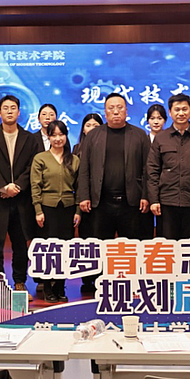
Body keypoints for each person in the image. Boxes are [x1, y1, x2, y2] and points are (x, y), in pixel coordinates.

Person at [0, 96, 39, 297]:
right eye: (5, 108)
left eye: (13, 108)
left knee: (20, 245)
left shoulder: (29, 138)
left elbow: (32, 166)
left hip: (21, 200)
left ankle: (20, 283)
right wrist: (4, 187)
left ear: (19, 112)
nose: (9, 111)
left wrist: (18, 186)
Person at [79, 92, 150, 244]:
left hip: (131, 202)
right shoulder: (93, 136)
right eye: (111, 108)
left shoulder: (139, 135)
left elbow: (147, 169)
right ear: (105, 112)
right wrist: (84, 196)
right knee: (100, 247)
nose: (116, 111)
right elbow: (84, 169)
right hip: (101, 202)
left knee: (131, 247)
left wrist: (145, 195)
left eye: (120, 107)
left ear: (126, 111)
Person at [146, 94, 190, 240]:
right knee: (167, 246)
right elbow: (152, 171)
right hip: (167, 202)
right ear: (170, 112)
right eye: (177, 109)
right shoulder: (161, 138)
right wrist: (154, 200)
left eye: (184, 109)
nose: (181, 113)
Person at [31, 120, 80, 303]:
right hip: (47, 208)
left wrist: (78, 211)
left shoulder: (74, 159)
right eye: (54, 135)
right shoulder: (41, 158)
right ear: (48, 137)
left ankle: (60, 286)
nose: (58, 139)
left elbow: (79, 187)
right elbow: (35, 186)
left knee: (65, 249)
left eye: (61, 134)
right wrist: (38, 210)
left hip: (67, 208)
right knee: (48, 250)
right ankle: (47, 287)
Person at [73, 112, 103, 295]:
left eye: (96, 125)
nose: (92, 129)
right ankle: (87, 279)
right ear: (83, 129)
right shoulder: (77, 148)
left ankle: (100, 277)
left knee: (101, 240)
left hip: (101, 201)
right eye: (88, 125)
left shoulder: (106, 146)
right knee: (86, 242)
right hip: (82, 201)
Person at [143, 103, 167, 238]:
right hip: (145, 191)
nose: (156, 122)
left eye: (159, 118)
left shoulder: (170, 140)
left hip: (165, 191)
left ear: (165, 120)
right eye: (152, 118)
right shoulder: (142, 140)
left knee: (164, 230)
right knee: (145, 230)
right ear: (147, 121)